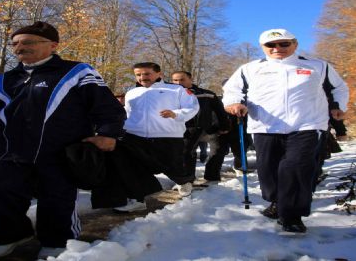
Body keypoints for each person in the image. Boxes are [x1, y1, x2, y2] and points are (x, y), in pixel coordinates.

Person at [0, 21, 126, 259]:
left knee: (56, 196)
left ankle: (58, 241)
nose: (19, 48)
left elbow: (106, 105)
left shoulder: (77, 72)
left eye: (27, 42)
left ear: (53, 45)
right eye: (15, 43)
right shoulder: (4, 80)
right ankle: (11, 234)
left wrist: (108, 133)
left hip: (59, 150)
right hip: (9, 150)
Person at [223, 28, 349, 234]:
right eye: (271, 45)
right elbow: (231, 90)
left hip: (307, 125)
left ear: (295, 44)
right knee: (269, 170)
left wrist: (338, 105)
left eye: (284, 44)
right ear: (263, 47)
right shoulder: (249, 69)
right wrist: (234, 103)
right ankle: (277, 201)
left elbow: (339, 88)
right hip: (265, 126)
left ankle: (291, 216)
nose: (277, 48)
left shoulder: (317, 66)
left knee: (296, 167)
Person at [115, 62, 199, 212]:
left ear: (159, 74)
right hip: (135, 136)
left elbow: (192, 107)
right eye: (138, 74)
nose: (142, 77)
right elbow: (128, 113)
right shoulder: (132, 92)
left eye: (147, 74)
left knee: (173, 167)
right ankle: (137, 199)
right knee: (132, 168)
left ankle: (184, 181)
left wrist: (176, 114)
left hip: (167, 136)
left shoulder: (176, 89)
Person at [171, 71, 230, 182]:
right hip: (186, 130)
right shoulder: (169, 95)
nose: (178, 83)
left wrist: (224, 126)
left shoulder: (207, 94)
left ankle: (212, 176)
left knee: (219, 150)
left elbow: (219, 111)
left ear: (190, 79)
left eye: (182, 79)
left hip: (208, 128)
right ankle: (188, 180)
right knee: (187, 153)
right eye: (175, 80)